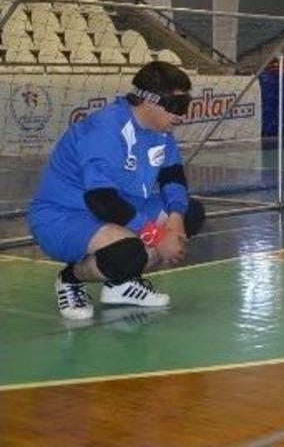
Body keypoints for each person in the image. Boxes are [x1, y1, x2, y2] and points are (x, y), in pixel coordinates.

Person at [27, 61, 205, 320]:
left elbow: (172, 174)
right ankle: (70, 278)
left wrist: (176, 218)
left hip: (120, 205)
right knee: (129, 253)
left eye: (185, 105)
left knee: (191, 213)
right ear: (150, 101)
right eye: (176, 107)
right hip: (65, 215)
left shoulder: (161, 132)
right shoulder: (105, 130)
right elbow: (101, 200)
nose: (181, 115)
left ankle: (120, 285)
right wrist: (156, 236)